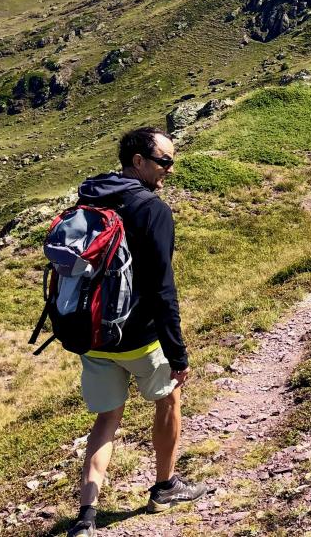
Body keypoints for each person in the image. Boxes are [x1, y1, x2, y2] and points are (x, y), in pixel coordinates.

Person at [67, 127, 210, 537]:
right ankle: (165, 488)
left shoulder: (91, 197)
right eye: (164, 161)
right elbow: (163, 288)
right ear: (138, 162)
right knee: (169, 399)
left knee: (106, 420)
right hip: (140, 337)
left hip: (94, 334)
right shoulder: (152, 210)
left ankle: (86, 517)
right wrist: (178, 353)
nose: (170, 169)